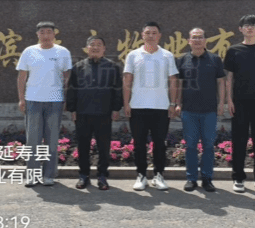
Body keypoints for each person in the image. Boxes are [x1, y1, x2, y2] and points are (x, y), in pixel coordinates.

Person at [123, 21, 179, 191]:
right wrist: (126, 103)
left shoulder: (167, 55)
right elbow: (127, 80)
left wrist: (172, 103)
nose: (151, 36)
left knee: (159, 144)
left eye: (154, 33)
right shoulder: (133, 55)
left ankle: (158, 175)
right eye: (147, 33)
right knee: (139, 144)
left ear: (159, 36)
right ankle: (141, 175)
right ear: (142, 35)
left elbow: (173, 81)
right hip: (137, 106)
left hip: (161, 107)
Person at [223, 15, 255, 193]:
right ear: (240, 29)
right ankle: (238, 178)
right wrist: (229, 100)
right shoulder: (234, 50)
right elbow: (229, 77)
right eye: (246, 25)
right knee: (239, 141)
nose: (250, 28)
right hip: (239, 101)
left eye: (253, 25)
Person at [16, 21, 72, 187]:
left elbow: (67, 77)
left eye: (49, 32)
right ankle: (32, 175)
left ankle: (49, 175)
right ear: (37, 34)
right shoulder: (29, 51)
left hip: (55, 100)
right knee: (32, 140)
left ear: (54, 34)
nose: (46, 35)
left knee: (51, 139)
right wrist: (21, 98)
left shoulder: (63, 52)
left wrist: (67, 99)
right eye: (42, 32)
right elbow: (22, 77)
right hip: (33, 100)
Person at [66, 35, 123, 190]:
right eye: (92, 44)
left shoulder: (112, 67)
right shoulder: (78, 67)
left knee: (103, 146)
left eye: (99, 44)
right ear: (87, 48)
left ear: (104, 49)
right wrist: (72, 109)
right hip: (83, 112)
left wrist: (116, 108)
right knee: (83, 145)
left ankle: (102, 176)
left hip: (104, 113)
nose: (95, 47)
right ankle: (83, 175)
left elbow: (117, 89)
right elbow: (72, 89)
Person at [175, 28, 226, 192]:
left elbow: (221, 82)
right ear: (189, 41)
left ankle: (207, 179)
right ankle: (191, 178)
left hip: (209, 110)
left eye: (200, 37)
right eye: (194, 37)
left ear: (205, 40)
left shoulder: (215, 59)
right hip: (189, 110)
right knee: (190, 146)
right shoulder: (182, 60)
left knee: (208, 146)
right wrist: (177, 103)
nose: (197, 40)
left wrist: (221, 103)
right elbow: (179, 84)